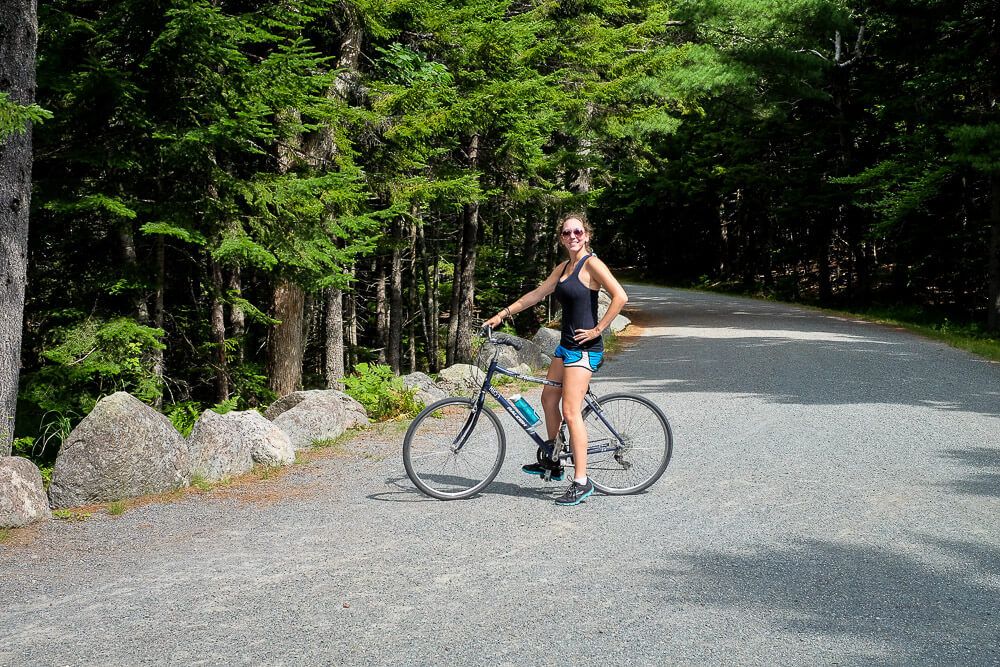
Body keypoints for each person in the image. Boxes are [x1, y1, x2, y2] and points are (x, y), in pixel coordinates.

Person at [484, 213, 628, 506]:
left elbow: (620, 296)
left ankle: (582, 481)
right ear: (561, 238)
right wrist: (502, 315)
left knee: (571, 410)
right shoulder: (563, 267)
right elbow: (537, 294)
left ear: (586, 235)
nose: (572, 237)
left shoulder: (592, 264)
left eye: (577, 232)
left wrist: (599, 329)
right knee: (549, 398)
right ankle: (554, 458)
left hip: (584, 350)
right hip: (565, 347)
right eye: (566, 233)